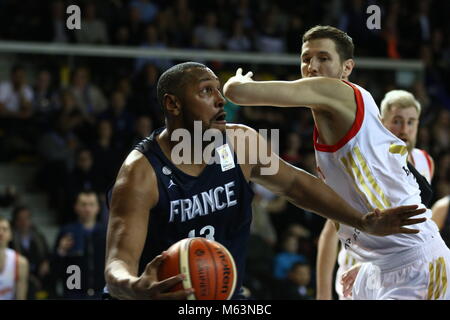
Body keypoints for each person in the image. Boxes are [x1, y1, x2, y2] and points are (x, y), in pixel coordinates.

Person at [104, 62, 426, 300]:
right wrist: (136, 288)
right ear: (173, 104)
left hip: (224, 296)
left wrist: (363, 220)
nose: (220, 99)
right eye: (206, 91)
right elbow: (117, 264)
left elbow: (296, 186)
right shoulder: (141, 173)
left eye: (219, 89)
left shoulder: (240, 143)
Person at [223, 25, 450, 300]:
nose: (313, 67)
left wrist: (237, 80)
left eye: (323, 58)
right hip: (379, 265)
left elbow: (239, 94)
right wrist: (370, 263)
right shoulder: (343, 116)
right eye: (306, 59)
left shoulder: (338, 92)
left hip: (416, 266)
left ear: (346, 68)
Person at [316, 89, 435, 300]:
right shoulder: (364, 161)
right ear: (381, 122)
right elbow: (329, 232)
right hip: (359, 277)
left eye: (411, 122)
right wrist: (323, 294)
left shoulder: (425, 161)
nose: (404, 129)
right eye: (397, 121)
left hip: (404, 272)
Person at [52, 191, 106, 299]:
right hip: (74, 291)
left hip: (100, 291)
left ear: (98, 208)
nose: (87, 209)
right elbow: (54, 266)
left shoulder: (105, 232)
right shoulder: (67, 232)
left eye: (91, 204)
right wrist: (61, 251)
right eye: (83, 204)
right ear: (76, 207)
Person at [10, 206, 51, 300]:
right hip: (20, 274)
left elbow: (48, 254)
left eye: (27, 218)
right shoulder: (11, 239)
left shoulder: (38, 236)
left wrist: (46, 262)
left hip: (39, 271)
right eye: (21, 219)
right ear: (16, 221)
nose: (24, 222)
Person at [0, 216, 29, 300]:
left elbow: (20, 297)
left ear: (10, 235)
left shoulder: (20, 262)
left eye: (4, 229)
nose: (0, 233)